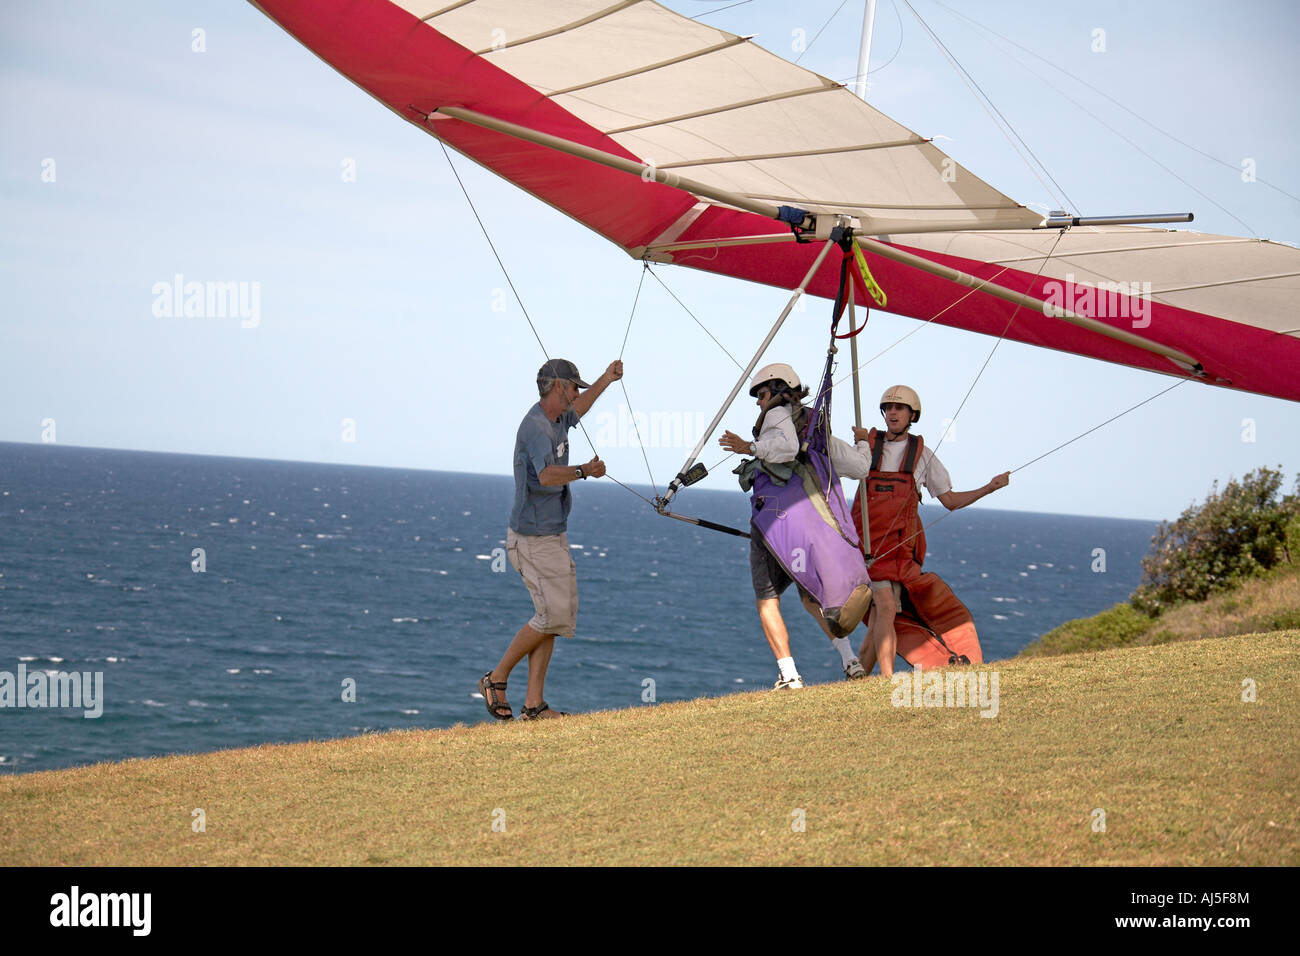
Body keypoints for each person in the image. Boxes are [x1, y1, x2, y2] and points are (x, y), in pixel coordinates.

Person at [479, 357, 623, 721]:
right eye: (574, 386)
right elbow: (545, 476)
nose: (578, 393)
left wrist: (607, 378)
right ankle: (495, 679)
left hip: (552, 533)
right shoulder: (536, 428)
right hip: (531, 539)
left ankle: (534, 705)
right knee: (552, 615)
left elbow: (582, 408)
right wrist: (584, 471)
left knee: (555, 618)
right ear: (558, 387)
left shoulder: (559, 417)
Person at [719, 363, 874, 689]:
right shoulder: (818, 433)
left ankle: (789, 675)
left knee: (767, 599)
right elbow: (861, 468)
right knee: (810, 596)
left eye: (761, 394)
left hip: (775, 526)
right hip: (807, 531)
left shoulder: (776, 416)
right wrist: (864, 442)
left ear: (777, 391)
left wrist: (750, 448)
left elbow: (786, 448)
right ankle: (850, 660)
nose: (759, 403)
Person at [850, 385, 1009, 677]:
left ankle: (865, 681)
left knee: (882, 614)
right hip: (862, 547)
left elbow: (950, 501)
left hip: (897, 553)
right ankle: (879, 680)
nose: (893, 413)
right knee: (882, 609)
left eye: (899, 408)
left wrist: (989, 487)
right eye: (888, 408)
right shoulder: (867, 446)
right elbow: (839, 464)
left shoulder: (921, 455)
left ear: (912, 415)